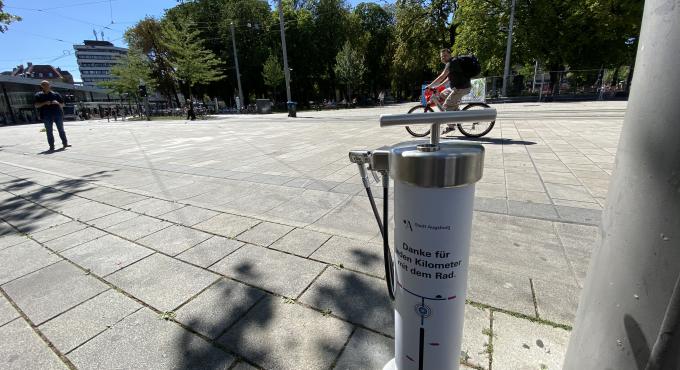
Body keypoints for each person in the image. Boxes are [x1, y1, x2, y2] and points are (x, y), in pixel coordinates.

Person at [424, 48, 472, 133]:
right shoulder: (453, 63)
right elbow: (448, 79)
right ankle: (454, 111)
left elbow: (442, 77)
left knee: (446, 106)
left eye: (445, 55)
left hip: (461, 88)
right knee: (442, 94)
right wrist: (437, 87)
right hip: (457, 87)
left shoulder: (451, 63)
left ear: (450, 55)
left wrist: (430, 86)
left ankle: (451, 126)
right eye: (442, 57)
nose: (443, 58)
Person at [34, 80, 70, 151]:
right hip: (46, 115)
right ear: (41, 86)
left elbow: (63, 104)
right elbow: (36, 105)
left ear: (50, 85)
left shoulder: (56, 94)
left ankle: (65, 143)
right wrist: (45, 103)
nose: (46, 86)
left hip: (57, 114)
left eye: (47, 84)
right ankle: (51, 146)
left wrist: (57, 103)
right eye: (44, 85)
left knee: (61, 130)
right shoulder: (38, 95)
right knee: (49, 131)